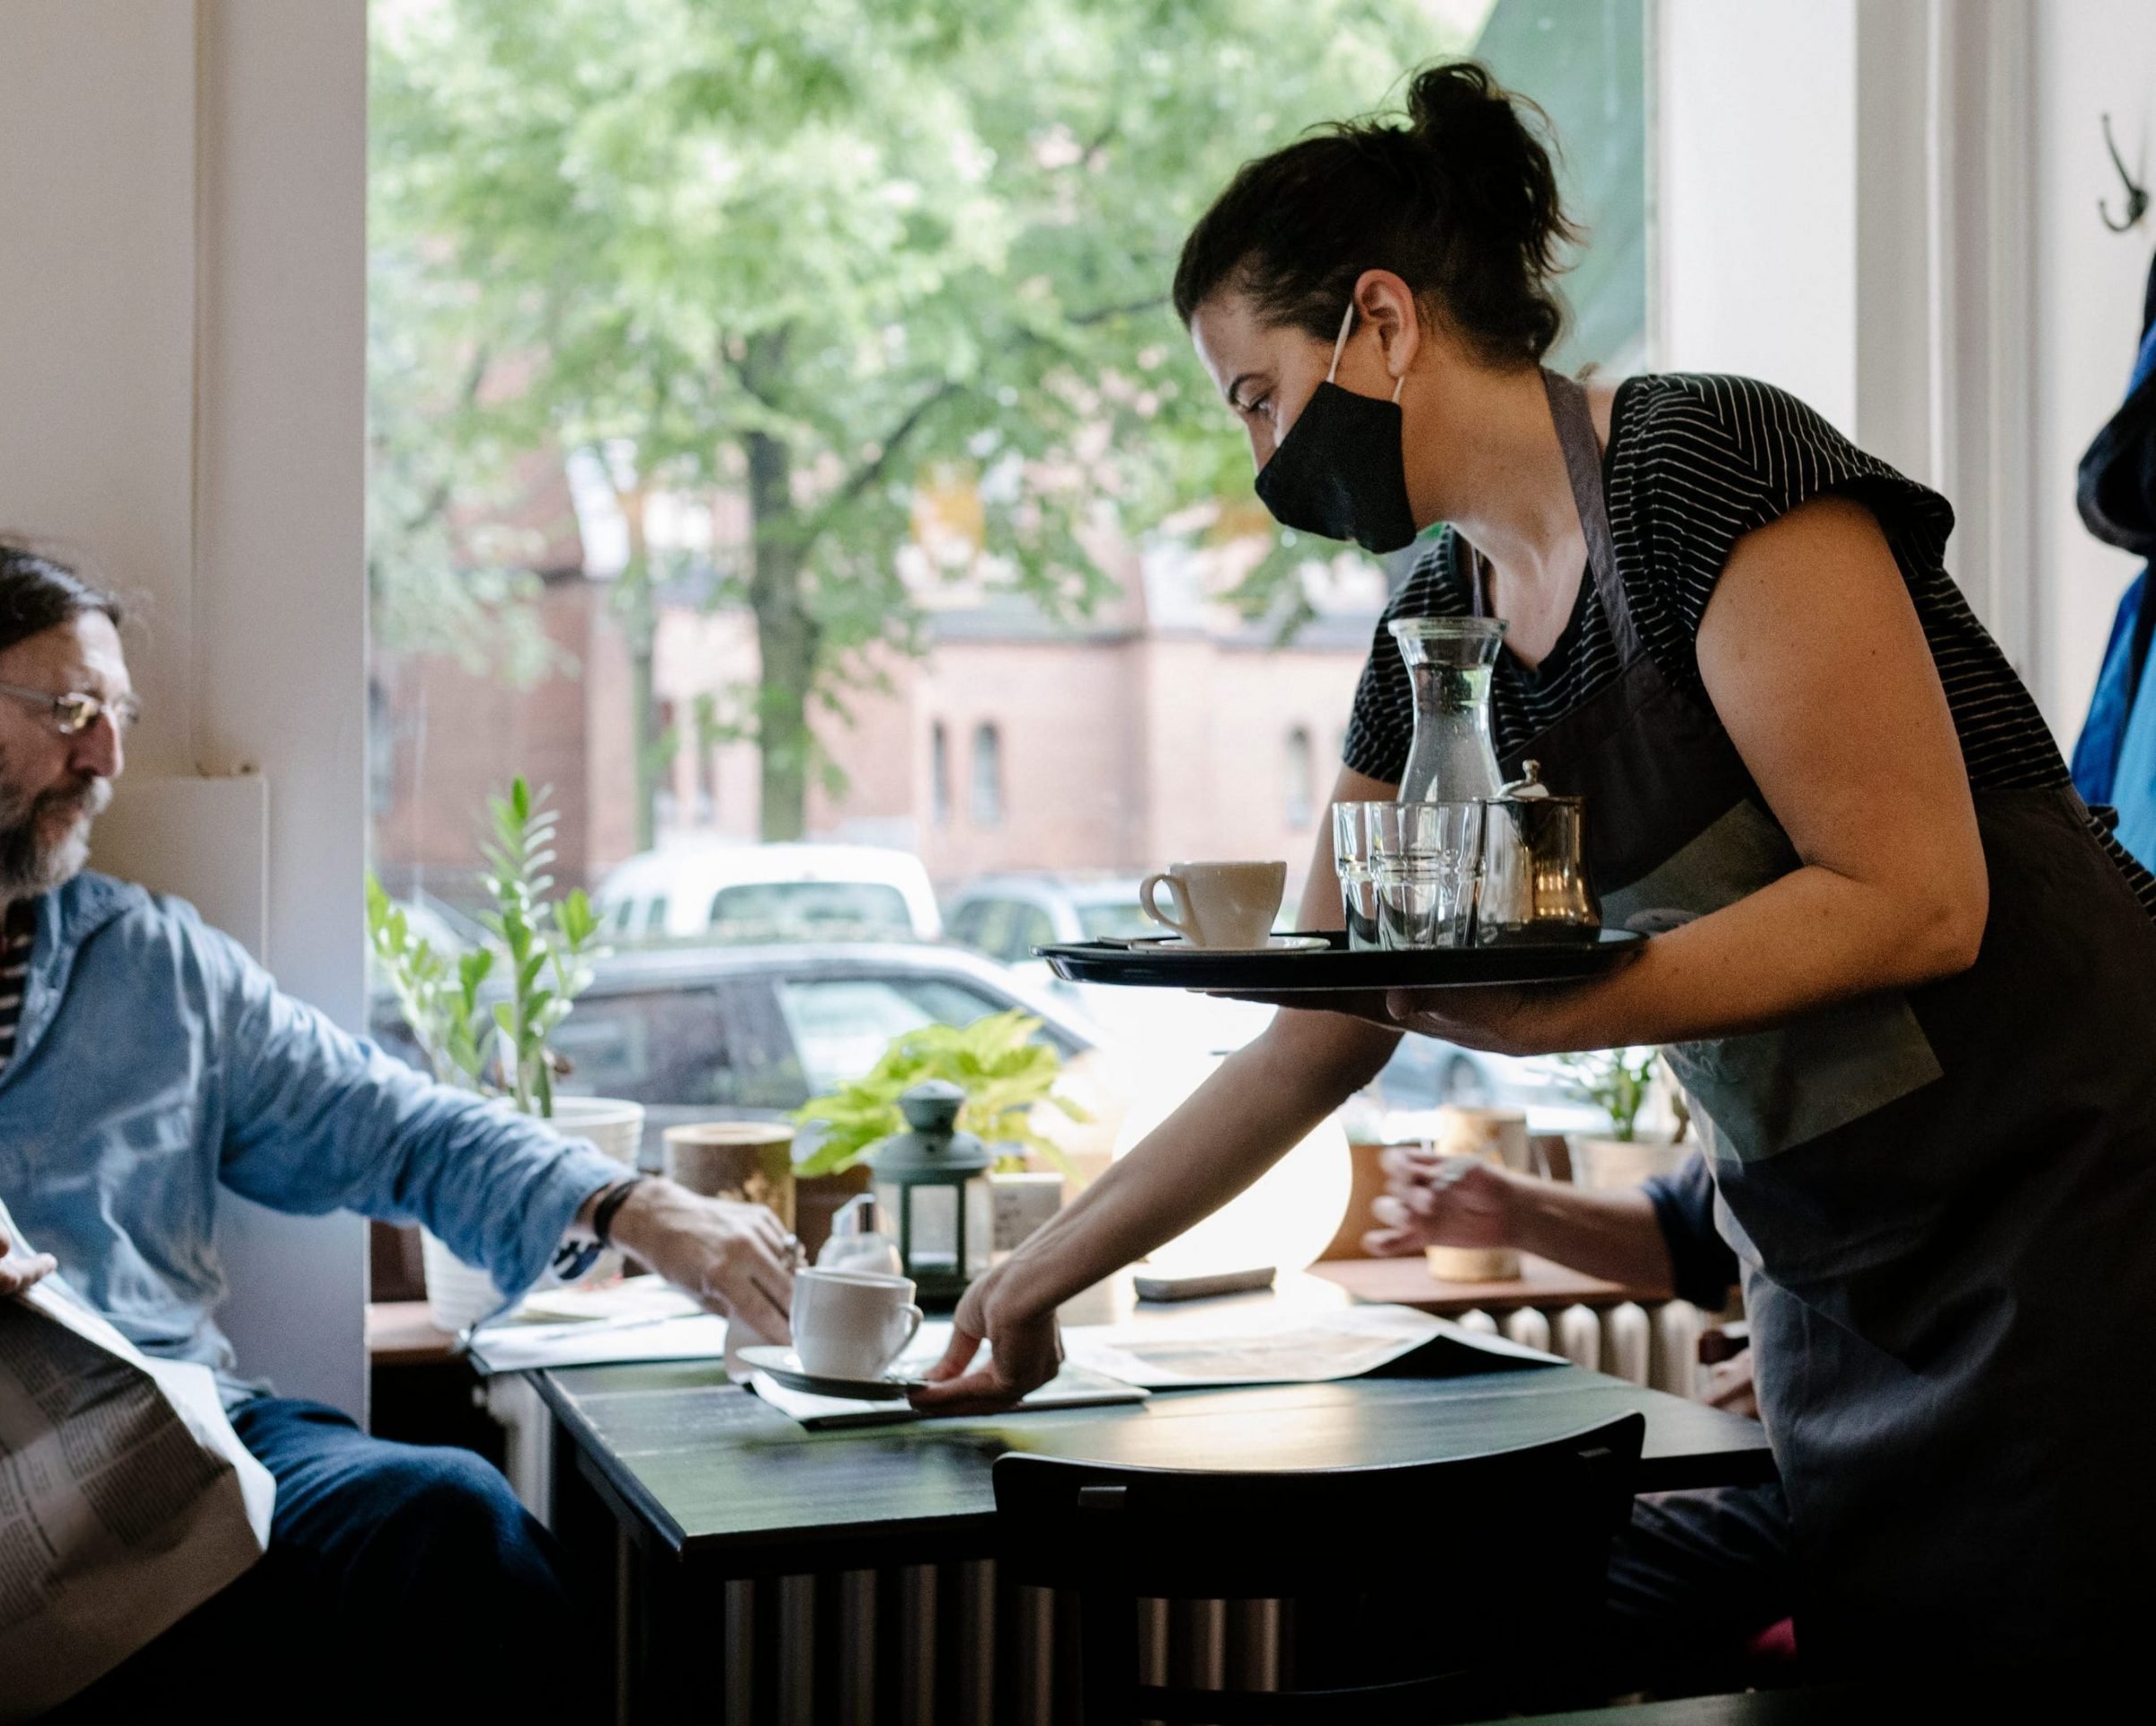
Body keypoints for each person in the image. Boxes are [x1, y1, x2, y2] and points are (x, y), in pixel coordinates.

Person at [919, 61, 2156, 1678]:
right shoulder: (1436, 623)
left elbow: (1918, 895)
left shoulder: (1705, 470)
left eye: (1256, 396)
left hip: (2083, 1233)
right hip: (1844, 1288)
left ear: (1381, 321)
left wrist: (1546, 1017)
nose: (1261, 458)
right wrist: (1038, 1278)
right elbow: (1322, 1017)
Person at [0, 538, 798, 1715]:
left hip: (172, 1462)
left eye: (116, 715)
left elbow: (390, 1119)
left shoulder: (157, 966)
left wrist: (636, 1205)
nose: (105, 755)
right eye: (68, 708)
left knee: (452, 1523)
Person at [1374, 1144, 1791, 1697]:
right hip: (1790, 1473)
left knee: (1482, 1596)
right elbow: (1693, 1227)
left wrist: (1818, 1376)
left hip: (1884, 1495)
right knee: (1428, 1566)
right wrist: (1511, 1210)